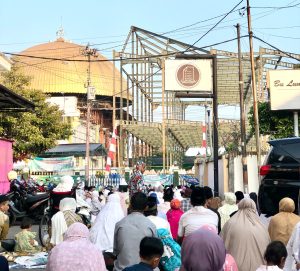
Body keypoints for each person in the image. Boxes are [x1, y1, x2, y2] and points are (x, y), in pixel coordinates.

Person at [220, 198, 270, 271]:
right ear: (254, 207)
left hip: (234, 267)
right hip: (259, 267)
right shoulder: (261, 225)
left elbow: (221, 244)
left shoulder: (230, 223)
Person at [113, 192, 157, 271]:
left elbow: (115, 251)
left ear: (130, 205)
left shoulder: (120, 224)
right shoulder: (151, 225)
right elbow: (155, 252)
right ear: (146, 207)